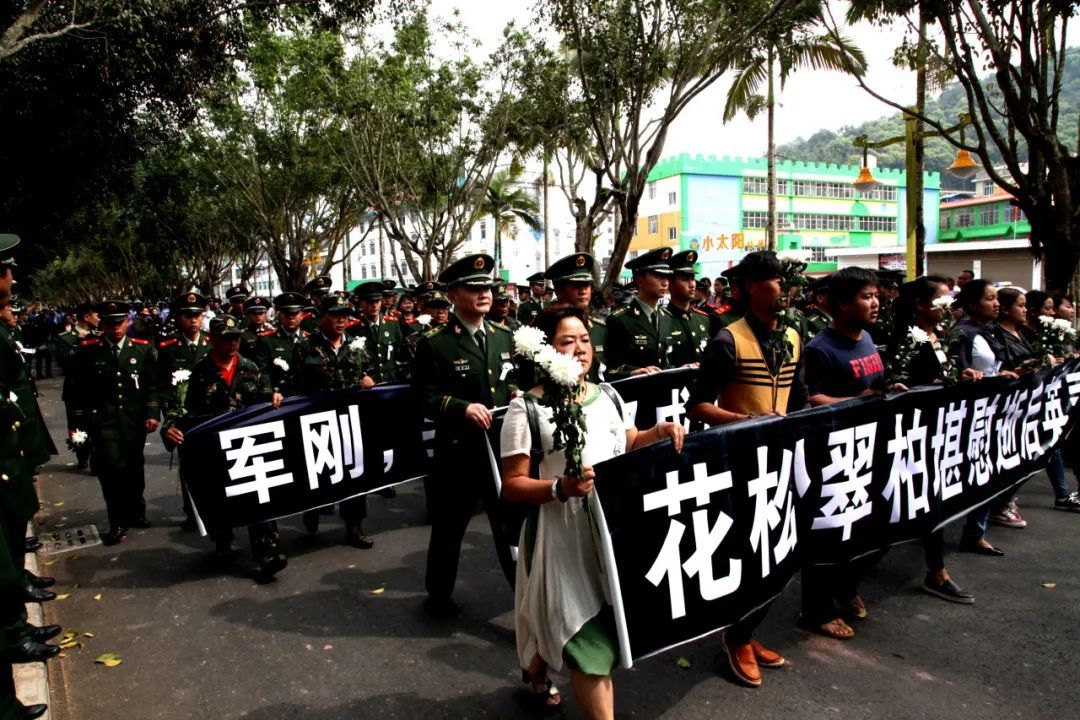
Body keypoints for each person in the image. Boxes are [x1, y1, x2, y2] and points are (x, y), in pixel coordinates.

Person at [501, 305, 685, 719]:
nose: (581, 349)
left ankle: (536, 666)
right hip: (559, 536)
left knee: (596, 619)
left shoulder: (610, 396)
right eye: (568, 341)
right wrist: (558, 488)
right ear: (545, 351)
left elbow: (627, 439)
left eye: (585, 339)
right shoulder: (525, 410)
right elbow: (512, 484)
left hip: (611, 533)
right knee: (588, 643)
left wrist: (660, 432)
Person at [686, 250, 804, 688]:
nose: (783, 289)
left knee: (778, 553)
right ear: (750, 287)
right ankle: (736, 637)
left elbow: (801, 399)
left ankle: (746, 631)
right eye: (774, 280)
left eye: (785, 281)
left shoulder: (793, 337)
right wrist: (747, 422)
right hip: (738, 463)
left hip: (783, 461)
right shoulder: (727, 339)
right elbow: (697, 405)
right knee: (748, 552)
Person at [412, 253, 517, 619]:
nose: (484, 294)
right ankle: (438, 594)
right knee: (449, 528)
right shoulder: (435, 343)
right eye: (474, 288)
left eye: (487, 287)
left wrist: (517, 393)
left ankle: (524, 593)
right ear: (454, 294)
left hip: (501, 449)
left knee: (510, 526)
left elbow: (511, 379)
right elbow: (422, 398)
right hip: (458, 453)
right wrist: (461, 407)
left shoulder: (506, 336)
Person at [801, 268, 901, 639]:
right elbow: (812, 399)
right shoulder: (820, 349)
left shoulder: (868, 338)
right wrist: (855, 402)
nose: (875, 303)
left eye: (876, 295)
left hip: (872, 448)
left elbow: (874, 384)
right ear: (841, 303)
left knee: (878, 527)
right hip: (837, 457)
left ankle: (847, 585)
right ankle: (816, 609)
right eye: (865, 296)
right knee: (830, 536)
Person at [161, 316, 287, 579]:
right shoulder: (198, 373)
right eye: (226, 338)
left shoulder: (250, 367)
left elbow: (262, 398)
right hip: (214, 447)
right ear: (212, 339)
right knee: (219, 496)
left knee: (258, 497)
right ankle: (222, 542)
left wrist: (273, 397)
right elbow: (181, 407)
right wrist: (170, 426)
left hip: (247, 445)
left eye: (236, 337)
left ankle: (268, 553)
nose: (233, 343)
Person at [889, 276, 978, 603]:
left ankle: (934, 567)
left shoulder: (941, 335)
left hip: (940, 430)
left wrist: (962, 376)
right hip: (914, 432)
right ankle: (935, 571)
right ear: (920, 304)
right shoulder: (907, 338)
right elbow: (900, 381)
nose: (947, 305)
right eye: (941, 299)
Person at [0, 235, 56, 720]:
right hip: (1, 461)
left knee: (11, 546)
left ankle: (17, 624)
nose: (12, 279)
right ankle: (13, 629)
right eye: (6, 270)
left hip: (8, 460)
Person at [67, 300, 160, 545]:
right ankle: (117, 519)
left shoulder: (141, 348)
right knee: (111, 470)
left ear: (127, 322)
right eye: (109, 323)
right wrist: (76, 422)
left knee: (134, 467)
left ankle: (136, 509)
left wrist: (152, 413)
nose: (115, 328)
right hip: (103, 422)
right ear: (102, 324)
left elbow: (151, 385)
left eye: (119, 322)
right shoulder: (87, 350)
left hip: (133, 420)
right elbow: (75, 389)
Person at [291, 293, 377, 547]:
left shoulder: (357, 344)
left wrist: (369, 380)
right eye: (335, 316)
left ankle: (354, 525)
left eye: (345, 316)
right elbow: (295, 386)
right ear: (322, 318)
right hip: (317, 422)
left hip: (350, 421)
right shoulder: (305, 347)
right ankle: (313, 507)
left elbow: (372, 373)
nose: (341, 321)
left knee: (354, 474)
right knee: (319, 472)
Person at [950, 280, 1013, 557]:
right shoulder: (961, 333)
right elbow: (958, 374)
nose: (997, 304)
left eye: (997, 298)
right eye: (990, 299)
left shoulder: (990, 332)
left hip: (993, 411)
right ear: (974, 304)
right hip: (969, 416)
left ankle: (976, 531)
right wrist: (990, 378)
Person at [156, 292, 211, 532]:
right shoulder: (168, 349)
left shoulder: (211, 343)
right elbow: (164, 387)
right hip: (184, 417)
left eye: (197, 315)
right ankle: (192, 512)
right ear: (179, 318)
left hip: (210, 415)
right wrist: (170, 420)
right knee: (189, 466)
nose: (193, 321)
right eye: (188, 316)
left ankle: (213, 509)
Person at [605, 247, 675, 380]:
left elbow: (666, 363)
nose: (665, 282)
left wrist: (683, 368)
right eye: (658, 276)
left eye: (667, 276)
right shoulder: (620, 319)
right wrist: (634, 372)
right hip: (634, 395)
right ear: (639, 280)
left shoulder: (666, 317)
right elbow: (611, 370)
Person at [52, 302, 99, 470]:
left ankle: (96, 459)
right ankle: (82, 455)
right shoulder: (65, 337)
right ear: (86, 317)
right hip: (76, 390)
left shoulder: (99, 335)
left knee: (96, 424)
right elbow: (65, 362)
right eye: (96, 315)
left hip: (96, 390)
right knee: (78, 426)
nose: (98, 318)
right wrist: (80, 345)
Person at [546, 253, 606, 382]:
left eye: (586, 285)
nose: (583, 291)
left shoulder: (600, 328)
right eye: (576, 285)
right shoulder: (545, 327)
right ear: (559, 290)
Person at [251, 292, 308, 396]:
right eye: (287, 313)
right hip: (279, 397)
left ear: (302, 315)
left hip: (305, 396)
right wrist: (269, 393)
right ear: (280, 314)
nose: (291, 317)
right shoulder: (266, 340)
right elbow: (263, 371)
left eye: (294, 313)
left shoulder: (309, 339)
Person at [665, 250, 712, 367]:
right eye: (685, 279)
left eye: (692, 278)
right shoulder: (661, 320)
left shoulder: (703, 319)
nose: (692, 284)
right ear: (670, 284)